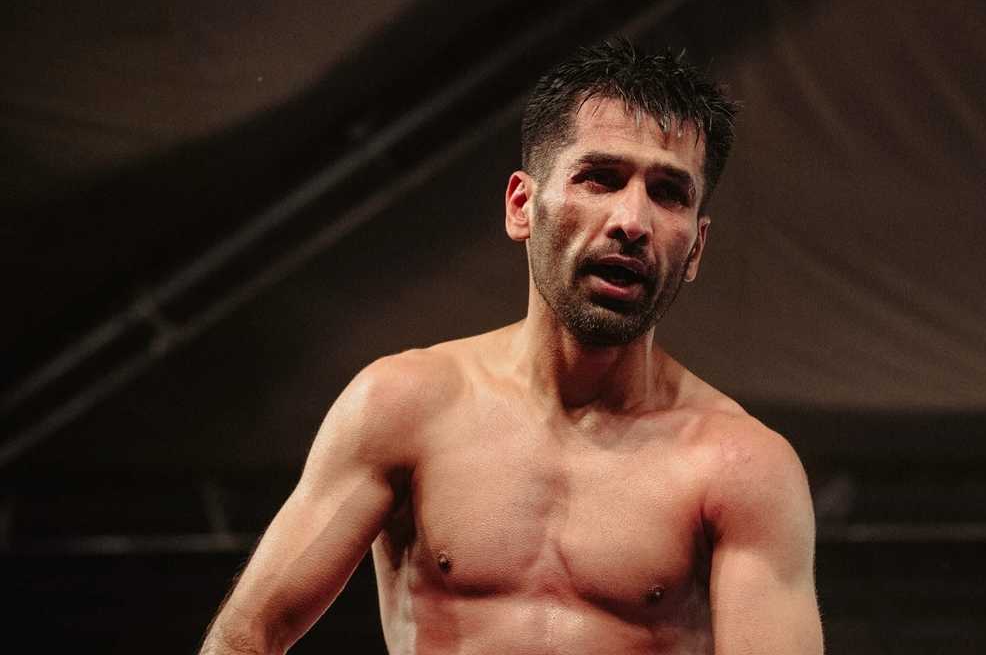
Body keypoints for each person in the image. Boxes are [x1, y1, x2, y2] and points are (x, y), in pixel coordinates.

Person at [199, 39, 823, 654]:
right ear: (522, 205)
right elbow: (245, 636)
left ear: (696, 248)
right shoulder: (403, 405)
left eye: (669, 193)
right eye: (600, 178)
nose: (632, 220)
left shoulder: (741, 469)